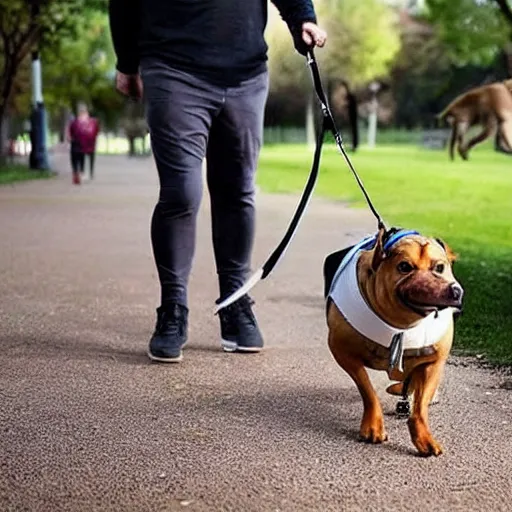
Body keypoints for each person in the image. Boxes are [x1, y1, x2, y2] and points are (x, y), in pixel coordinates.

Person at [108, 0, 327, 363]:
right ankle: (173, 309)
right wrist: (127, 62)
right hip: (172, 67)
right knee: (181, 193)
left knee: (238, 190)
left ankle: (235, 303)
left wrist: (301, 17)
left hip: (246, 73)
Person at [67, 103, 100, 184]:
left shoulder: (75, 122)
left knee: (75, 157)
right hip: (89, 145)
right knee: (81, 157)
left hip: (77, 144)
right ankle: (81, 172)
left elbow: (70, 134)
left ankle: (76, 172)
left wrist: (70, 138)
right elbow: (96, 132)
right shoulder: (93, 122)